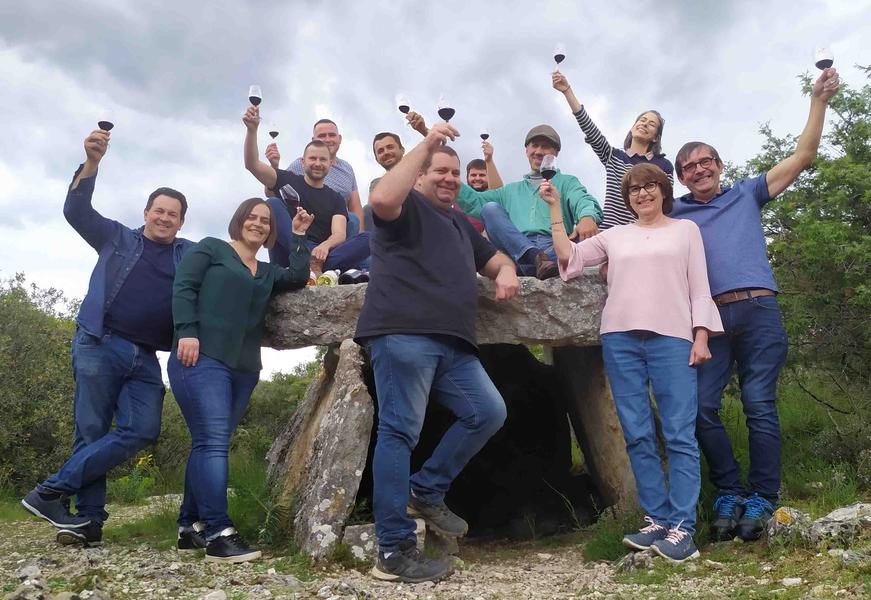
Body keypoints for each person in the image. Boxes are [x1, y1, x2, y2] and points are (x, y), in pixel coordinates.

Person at [671, 67, 840, 542]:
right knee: (701, 407)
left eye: (706, 162)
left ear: (720, 165)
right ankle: (729, 489)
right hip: (709, 319)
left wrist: (818, 101)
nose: (699, 170)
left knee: (758, 402)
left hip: (759, 310)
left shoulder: (747, 192)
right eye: (689, 167)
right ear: (681, 177)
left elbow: (803, 155)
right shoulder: (676, 212)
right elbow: (632, 200)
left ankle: (763, 495)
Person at [356, 124, 520, 582]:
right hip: (403, 334)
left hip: (454, 344)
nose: (450, 178)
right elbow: (382, 201)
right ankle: (393, 550)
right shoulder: (405, 208)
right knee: (399, 433)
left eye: (455, 173)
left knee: (487, 412)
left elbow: (495, 258)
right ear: (421, 175)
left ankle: (425, 490)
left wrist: (505, 270)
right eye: (440, 171)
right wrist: (426, 142)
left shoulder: (461, 226)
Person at [21, 129, 193, 548]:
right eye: (159, 211)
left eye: (173, 214)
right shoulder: (117, 237)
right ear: (147, 211)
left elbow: (228, 267)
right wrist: (92, 164)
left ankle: (48, 492)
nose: (164, 218)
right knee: (92, 431)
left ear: (181, 221)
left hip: (145, 357)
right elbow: (77, 210)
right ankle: (87, 524)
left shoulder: (187, 254)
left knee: (142, 429)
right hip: (100, 342)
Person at [545, 163, 722, 562]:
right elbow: (570, 258)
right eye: (634, 189)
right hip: (620, 338)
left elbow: (699, 286)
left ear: (663, 190)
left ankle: (683, 529)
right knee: (637, 434)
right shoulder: (615, 236)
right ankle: (656, 520)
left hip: (673, 338)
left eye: (649, 186)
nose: (642, 194)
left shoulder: (685, 231)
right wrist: (556, 210)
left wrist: (702, 335)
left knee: (678, 433)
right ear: (627, 198)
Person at [168, 198, 312, 562]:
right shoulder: (211, 249)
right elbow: (184, 287)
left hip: (245, 368)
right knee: (213, 443)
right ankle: (219, 533)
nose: (258, 223)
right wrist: (186, 330)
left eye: (265, 221)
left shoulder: (265, 272)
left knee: (209, 443)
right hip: (200, 358)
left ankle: (189, 527)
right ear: (238, 221)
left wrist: (297, 235)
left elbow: (296, 275)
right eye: (252, 217)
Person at [456, 124, 602, 279]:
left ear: (556, 153)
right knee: (490, 208)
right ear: (526, 150)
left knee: (590, 241)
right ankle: (533, 258)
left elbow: (582, 199)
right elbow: (474, 202)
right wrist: (447, 177)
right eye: (535, 146)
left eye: (545, 147)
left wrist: (587, 216)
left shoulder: (568, 182)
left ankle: (531, 264)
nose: (538, 151)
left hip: (554, 249)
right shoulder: (510, 190)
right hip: (515, 248)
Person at [243, 105, 370, 273]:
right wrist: (252, 131)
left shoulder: (336, 198)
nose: (317, 163)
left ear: (330, 164)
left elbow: (339, 233)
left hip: (321, 253)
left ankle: (311, 265)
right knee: (272, 203)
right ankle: (308, 262)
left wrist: (325, 246)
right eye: (312, 158)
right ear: (303, 162)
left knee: (369, 238)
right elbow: (252, 165)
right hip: (292, 248)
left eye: (322, 160)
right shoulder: (287, 179)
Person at [552, 70, 673, 229]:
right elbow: (588, 127)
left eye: (651, 124)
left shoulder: (664, 165)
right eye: (642, 120)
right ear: (632, 128)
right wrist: (567, 91)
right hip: (609, 232)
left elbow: (667, 205)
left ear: (656, 137)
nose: (644, 124)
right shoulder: (613, 156)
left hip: (646, 233)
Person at [280, 119, 364, 235]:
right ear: (313, 140)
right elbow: (276, 191)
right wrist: (273, 165)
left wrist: (360, 235)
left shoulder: (347, 169)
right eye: (322, 136)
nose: (327, 139)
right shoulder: (300, 165)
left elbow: (355, 206)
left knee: (354, 220)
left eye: (332, 135)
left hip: (338, 227)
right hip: (307, 226)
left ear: (339, 139)